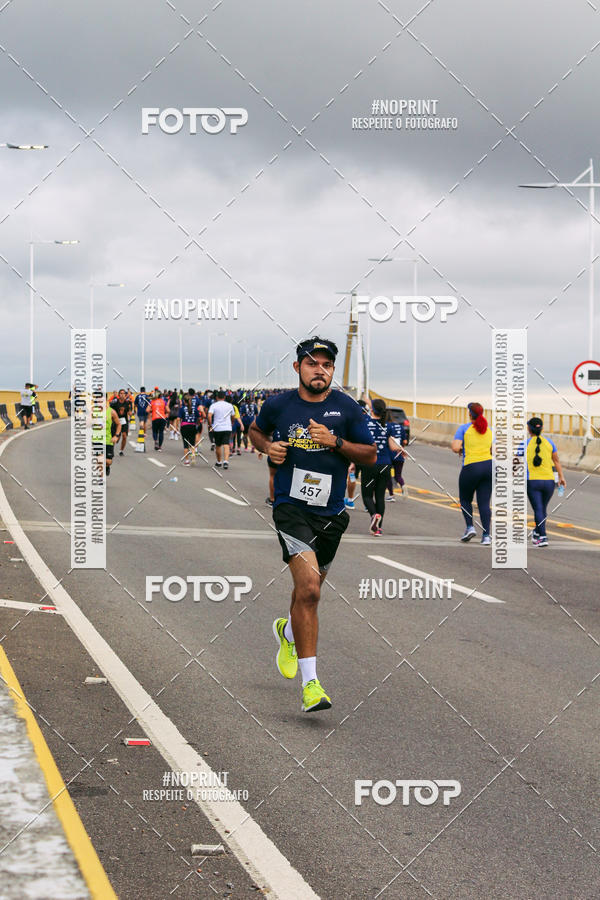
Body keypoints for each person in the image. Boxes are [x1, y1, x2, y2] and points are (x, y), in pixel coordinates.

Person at [249, 337, 376, 713]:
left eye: (326, 365)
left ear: (333, 370)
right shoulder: (279, 405)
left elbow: (369, 455)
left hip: (332, 513)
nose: (319, 370)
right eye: (312, 363)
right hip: (291, 508)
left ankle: (287, 633)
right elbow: (256, 430)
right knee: (309, 589)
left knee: (309, 592)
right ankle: (311, 685)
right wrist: (265, 447)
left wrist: (335, 441)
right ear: (297, 368)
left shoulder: (347, 409)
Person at [452, 402, 493, 544]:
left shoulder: (464, 428)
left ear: (469, 414)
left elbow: (455, 447)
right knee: (484, 503)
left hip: (471, 467)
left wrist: (464, 448)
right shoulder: (489, 429)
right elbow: (494, 450)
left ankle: (470, 527)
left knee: (465, 499)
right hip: (489, 467)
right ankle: (486, 536)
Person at [361, 398, 403, 535]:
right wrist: (401, 449)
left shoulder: (365, 423)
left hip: (369, 463)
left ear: (372, 409)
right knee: (380, 496)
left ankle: (374, 516)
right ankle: (378, 528)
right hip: (385, 464)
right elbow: (393, 446)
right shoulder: (388, 426)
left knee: (367, 496)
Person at [523, 417, 566, 547]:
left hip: (533, 482)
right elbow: (556, 461)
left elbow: (516, 461)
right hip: (549, 482)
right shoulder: (549, 443)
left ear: (529, 429)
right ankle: (537, 532)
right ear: (541, 429)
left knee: (538, 509)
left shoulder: (525, 444)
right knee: (542, 509)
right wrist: (562, 477)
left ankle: (543, 536)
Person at [208, 390, 235, 469]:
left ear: (216, 397)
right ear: (224, 397)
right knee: (226, 444)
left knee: (218, 445)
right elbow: (233, 416)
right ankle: (226, 461)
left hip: (217, 428)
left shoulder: (214, 405)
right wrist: (232, 422)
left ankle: (219, 461)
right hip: (227, 427)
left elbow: (209, 416)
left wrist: (210, 425)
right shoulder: (230, 405)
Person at [110, 389, 132, 456]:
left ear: (125, 395)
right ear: (119, 395)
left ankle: (121, 450)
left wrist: (130, 413)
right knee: (116, 437)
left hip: (124, 421)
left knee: (124, 436)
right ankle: (111, 450)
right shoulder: (115, 403)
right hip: (116, 421)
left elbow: (130, 412)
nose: (122, 395)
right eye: (121, 393)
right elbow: (110, 410)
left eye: (123, 393)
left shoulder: (127, 403)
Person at [179, 392, 199, 465]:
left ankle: (187, 460)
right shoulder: (195, 408)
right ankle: (193, 457)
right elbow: (198, 417)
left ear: (184, 401)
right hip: (192, 426)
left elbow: (179, 418)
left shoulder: (182, 409)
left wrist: (179, 425)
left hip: (184, 426)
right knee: (192, 444)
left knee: (185, 445)